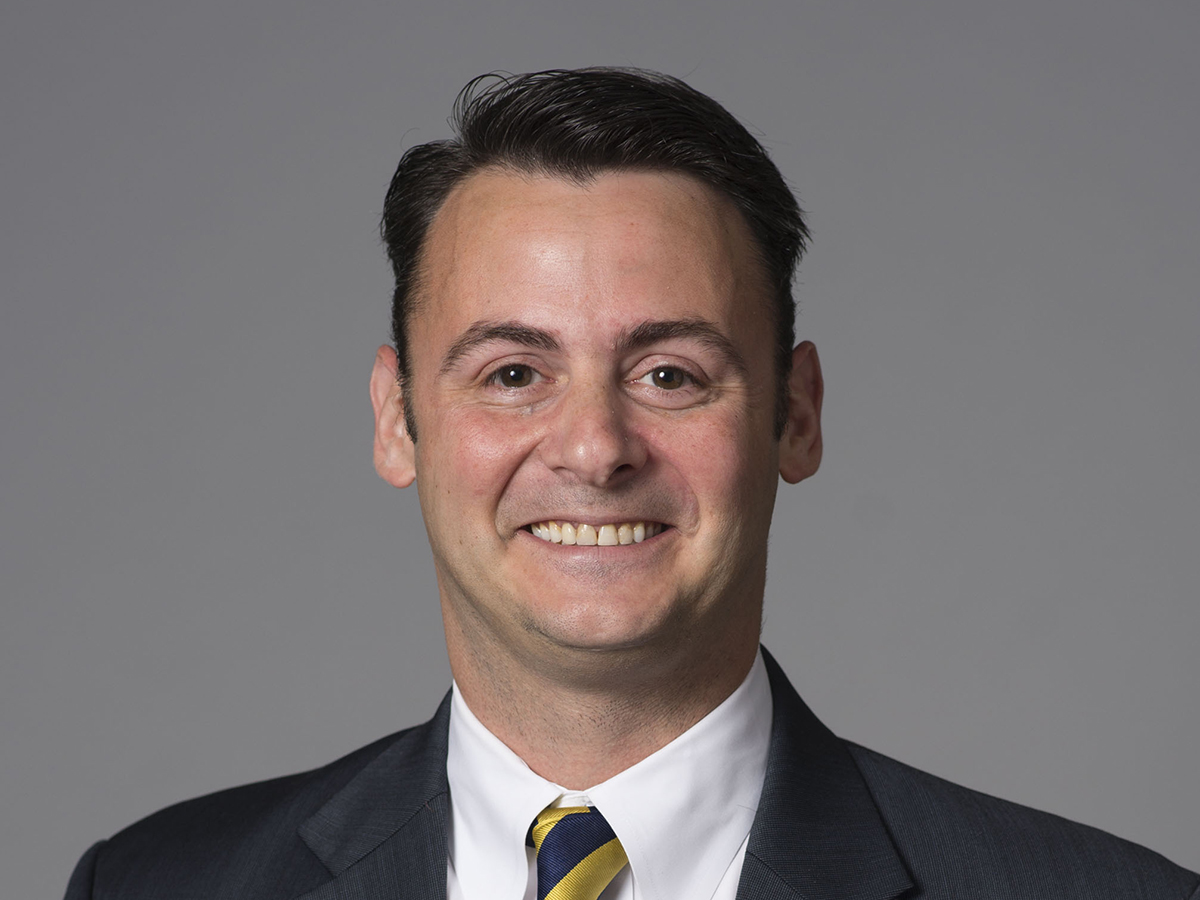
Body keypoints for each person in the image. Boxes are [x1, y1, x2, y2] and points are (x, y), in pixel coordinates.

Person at [65, 68, 1196, 900]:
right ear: (397, 419)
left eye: (670, 375)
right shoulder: (154, 887)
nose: (596, 449)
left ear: (796, 415)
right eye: (514, 374)